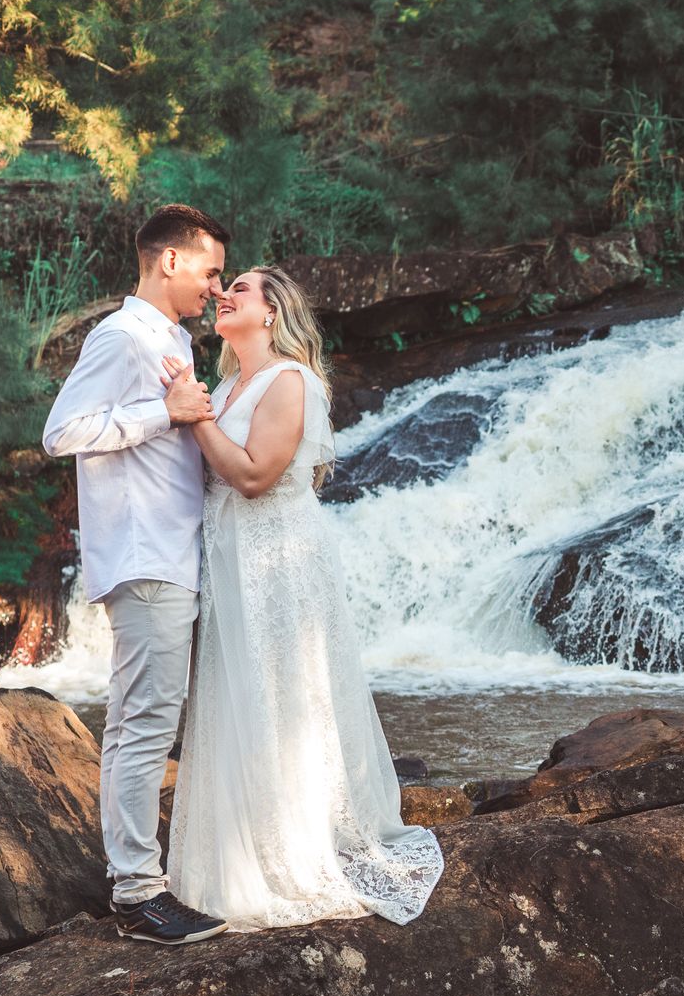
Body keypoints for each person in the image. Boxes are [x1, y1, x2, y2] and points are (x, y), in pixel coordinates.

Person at [163, 265, 444, 930]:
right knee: (238, 693)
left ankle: (293, 845)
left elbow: (257, 475)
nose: (225, 294)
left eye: (242, 289)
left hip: (278, 557)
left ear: (271, 313)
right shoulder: (231, 381)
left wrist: (196, 416)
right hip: (230, 555)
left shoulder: (289, 379)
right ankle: (236, 853)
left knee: (286, 695)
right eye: (224, 286)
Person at [42, 204, 232, 945]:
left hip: (172, 553)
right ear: (171, 261)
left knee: (139, 720)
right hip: (146, 555)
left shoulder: (176, 338)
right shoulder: (122, 337)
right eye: (211, 271)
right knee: (146, 721)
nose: (217, 288)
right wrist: (164, 410)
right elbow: (62, 431)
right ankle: (139, 893)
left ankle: (137, 879)